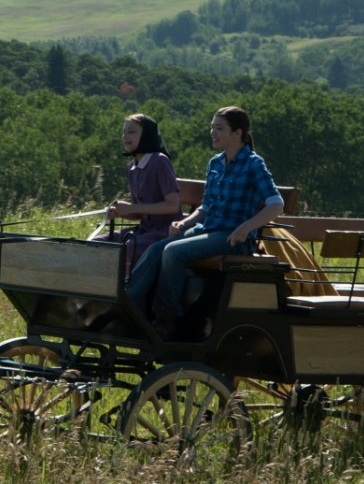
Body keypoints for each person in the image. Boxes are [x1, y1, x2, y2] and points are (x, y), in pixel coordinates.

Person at [125, 106, 284, 337]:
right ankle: (128, 301)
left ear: (237, 133)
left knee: (173, 252)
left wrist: (246, 227)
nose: (213, 132)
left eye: (219, 128)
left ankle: (166, 318)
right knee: (157, 247)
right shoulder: (215, 163)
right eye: (212, 127)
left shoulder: (253, 163)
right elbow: (206, 207)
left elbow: (276, 204)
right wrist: (185, 223)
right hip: (207, 229)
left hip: (232, 237)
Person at [93, 113, 182, 273]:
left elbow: (173, 205)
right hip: (143, 231)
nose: (125, 136)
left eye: (132, 132)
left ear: (147, 135)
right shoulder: (131, 168)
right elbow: (140, 214)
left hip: (165, 231)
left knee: (128, 248)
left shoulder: (159, 161)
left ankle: (124, 294)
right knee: (96, 243)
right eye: (124, 131)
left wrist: (133, 208)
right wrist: (121, 212)